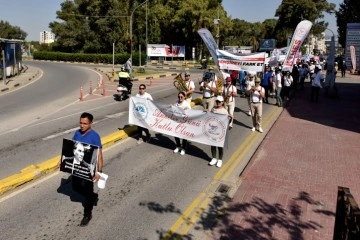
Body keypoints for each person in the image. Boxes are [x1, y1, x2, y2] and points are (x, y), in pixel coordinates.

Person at [70, 112, 103, 227]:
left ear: (90, 124)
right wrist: (62, 160)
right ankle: (92, 196)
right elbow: (71, 148)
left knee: (88, 192)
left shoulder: (95, 136)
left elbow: (99, 155)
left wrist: (99, 171)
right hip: (77, 168)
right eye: (80, 123)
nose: (82, 125)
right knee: (75, 187)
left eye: (85, 123)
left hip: (89, 169)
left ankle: (87, 214)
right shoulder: (77, 133)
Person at [207, 95, 231, 168]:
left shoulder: (224, 111)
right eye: (217, 101)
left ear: (222, 102)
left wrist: (230, 119)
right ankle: (214, 158)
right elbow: (209, 117)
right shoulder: (213, 109)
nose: (218, 103)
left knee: (220, 146)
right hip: (213, 130)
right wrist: (206, 112)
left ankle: (220, 160)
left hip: (220, 131)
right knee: (213, 144)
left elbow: (228, 122)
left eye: (219, 102)